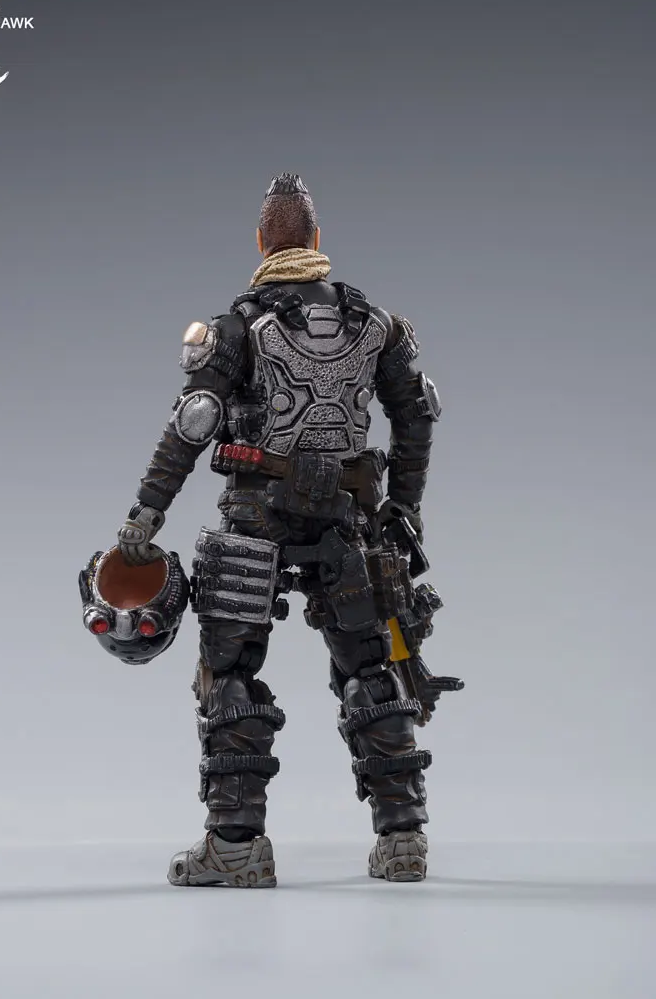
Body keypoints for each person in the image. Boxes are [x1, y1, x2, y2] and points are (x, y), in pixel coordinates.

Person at [116, 173, 443, 887]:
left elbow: (193, 423)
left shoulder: (236, 328)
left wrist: (146, 514)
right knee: (371, 669)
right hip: (350, 521)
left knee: (230, 672)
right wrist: (404, 507)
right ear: (317, 239)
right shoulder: (377, 324)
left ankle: (236, 849)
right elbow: (417, 414)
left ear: (261, 241)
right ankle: (404, 840)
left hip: (255, 517)